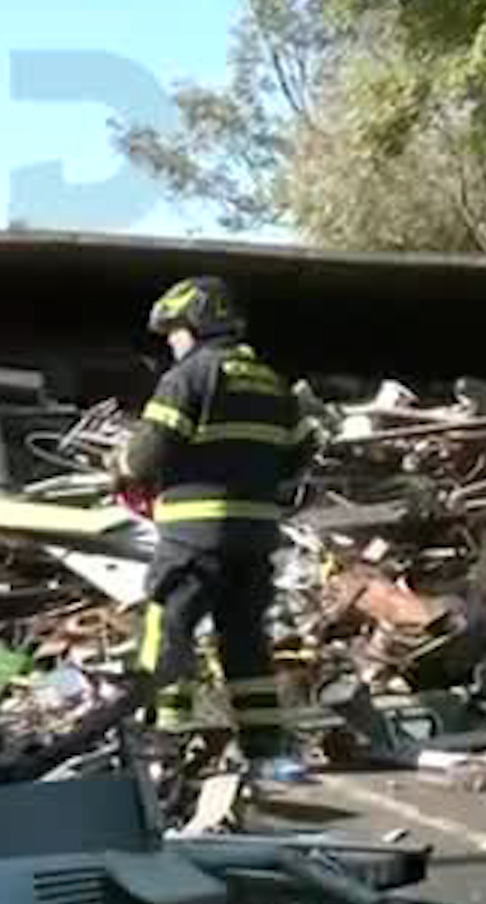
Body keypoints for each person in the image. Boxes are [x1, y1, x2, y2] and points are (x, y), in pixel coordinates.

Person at [114, 276, 321, 765]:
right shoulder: (274, 382)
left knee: (170, 629)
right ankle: (265, 747)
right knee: (245, 642)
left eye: (173, 332)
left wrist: (119, 465)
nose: (171, 342)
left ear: (196, 327)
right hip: (254, 539)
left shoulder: (188, 377)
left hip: (193, 535)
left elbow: (147, 456)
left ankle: (163, 740)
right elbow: (300, 453)